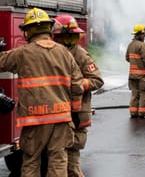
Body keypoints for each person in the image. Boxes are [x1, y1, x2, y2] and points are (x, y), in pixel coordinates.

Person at [0, 8, 85, 177]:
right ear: (49, 28)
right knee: (58, 161)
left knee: (32, 161)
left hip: (36, 120)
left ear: (28, 31)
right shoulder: (65, 53)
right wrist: (75, 112)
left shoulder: (23, 53)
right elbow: (77, 86)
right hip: (62, 118)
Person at [52, 15, 104, 177]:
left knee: (71, 161)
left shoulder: (80, 54)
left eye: (61, 36)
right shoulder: (55, 52)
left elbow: (97, 80)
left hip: (76, 113)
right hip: (60, 112)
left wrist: (78, 85)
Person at [125, 24, 145, 118]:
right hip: (142, 76)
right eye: (144, 34)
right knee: (144, 94)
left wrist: (135, 63)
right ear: (140, 34)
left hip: (132, 76)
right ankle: (143, 112)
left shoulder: (130, 45)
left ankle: (133, 112)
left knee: (135, 94)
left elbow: (127, 58)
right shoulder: (142, 45)